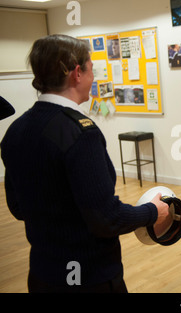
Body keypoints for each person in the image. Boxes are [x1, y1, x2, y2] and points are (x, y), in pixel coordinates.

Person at [1, 34, 170, 293]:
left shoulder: (16, 130)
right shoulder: (80, 133)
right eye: (92, 69)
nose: (94, 77)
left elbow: (17, 207)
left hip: (43, 274)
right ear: (77, 73)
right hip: (88, 277)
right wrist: (152, 212)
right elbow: (106, 218)